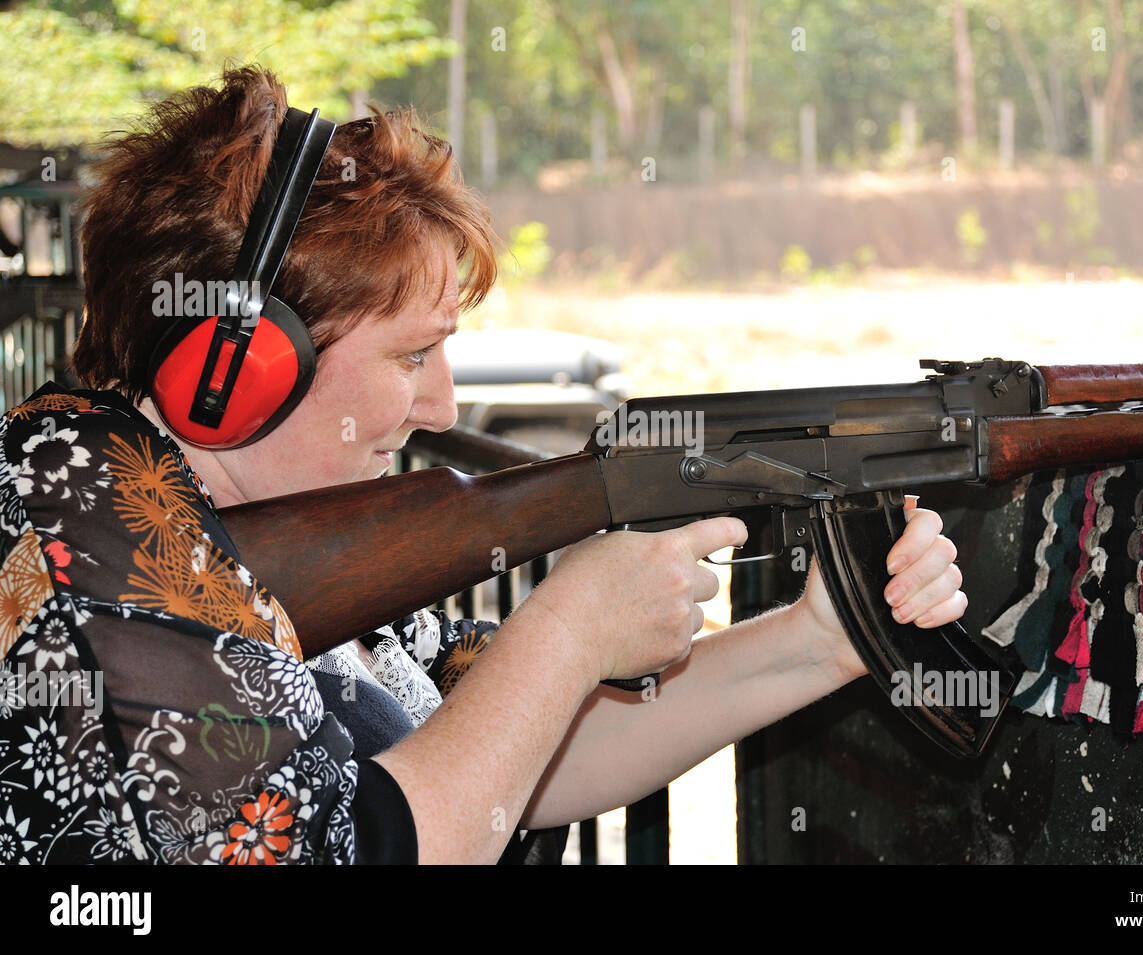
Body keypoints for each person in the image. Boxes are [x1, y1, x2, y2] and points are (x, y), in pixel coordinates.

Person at [0, 67, 967, 864]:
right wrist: (571, 629)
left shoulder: (263, 531)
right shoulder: (81, 563)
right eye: (412, 356)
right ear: (235, 370)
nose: (443, 407)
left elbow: (519, 758)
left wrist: (828, 636)